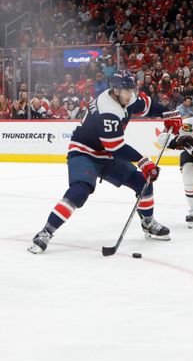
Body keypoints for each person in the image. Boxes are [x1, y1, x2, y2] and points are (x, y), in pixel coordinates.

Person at [28, 71, 182, 254]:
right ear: (115, 90)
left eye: (132, 90)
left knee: (143, 183)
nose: (130, 94)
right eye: (126, 90)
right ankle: (46, 232)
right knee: (79, 191)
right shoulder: (108, 109)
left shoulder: (126, 97)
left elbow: (148, 106)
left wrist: (168, 113)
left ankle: (147, 222)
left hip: (107, 153)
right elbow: (115, 147)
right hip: (85, 152)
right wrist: (143, 161)